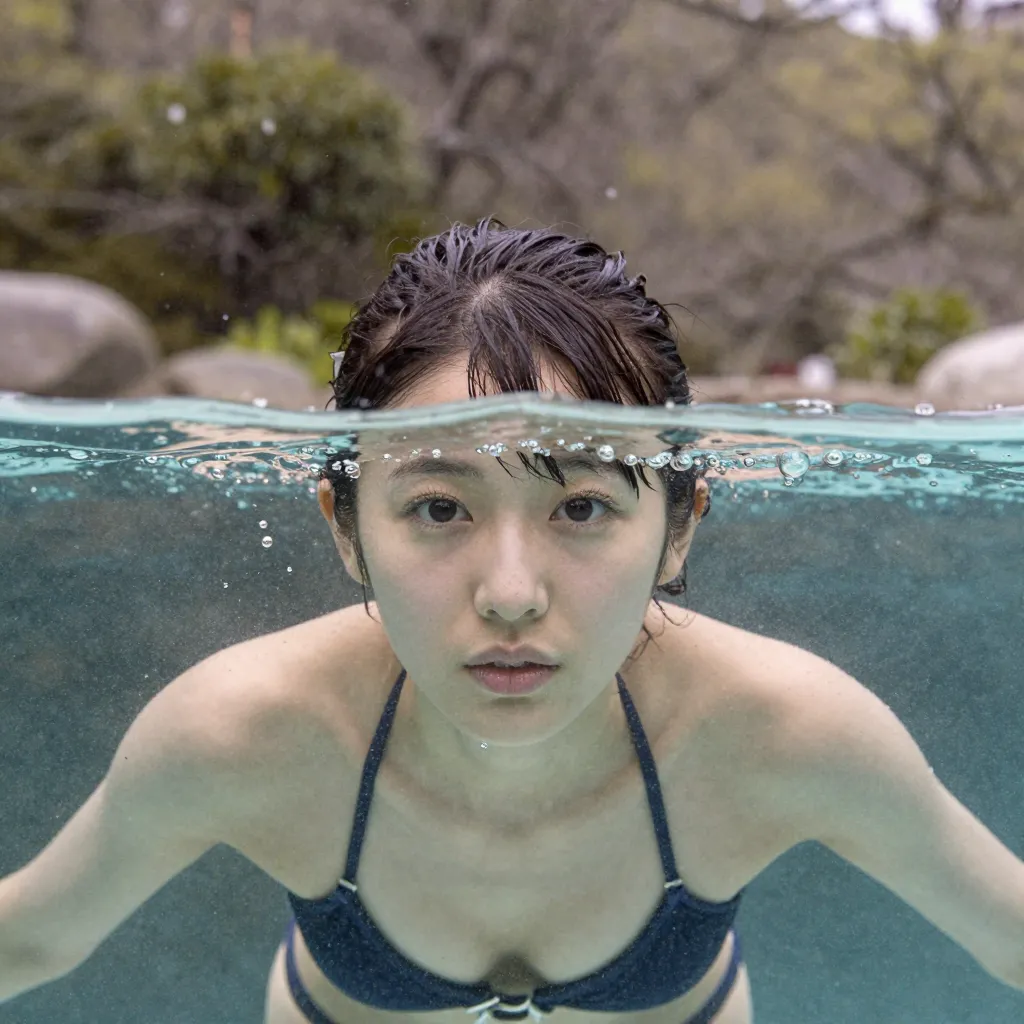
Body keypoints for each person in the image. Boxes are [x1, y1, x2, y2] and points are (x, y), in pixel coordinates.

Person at [2, 219, 1024, 1024]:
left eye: (581, 506)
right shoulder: (242, 731)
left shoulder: (783, 730)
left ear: (677, 529)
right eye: (439, 508)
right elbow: (32, 939)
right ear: (346, 528)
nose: (509, 592)